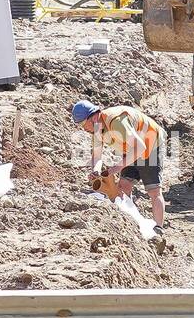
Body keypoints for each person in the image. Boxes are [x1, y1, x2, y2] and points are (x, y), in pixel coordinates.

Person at [72, 99, 168, 234]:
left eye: (83, 124)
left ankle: (158, 228)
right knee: (123, 186)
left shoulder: (116, 121)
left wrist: (116, 168)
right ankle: (132, 224)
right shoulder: (97, 129)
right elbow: (97, 156)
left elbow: (141, 147)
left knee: (153, 190)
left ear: (93, 117)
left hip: (151, 144)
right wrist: (95, 171)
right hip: (131, 149)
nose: (83, 128)